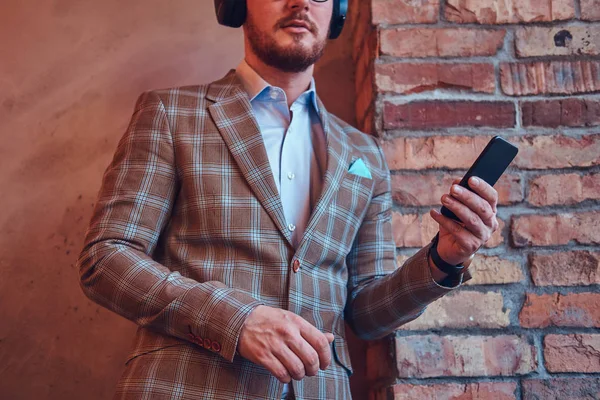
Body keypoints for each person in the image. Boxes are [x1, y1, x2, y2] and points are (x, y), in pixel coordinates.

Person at [76, 0, 500, 399]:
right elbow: (107, 259)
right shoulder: (170, 113)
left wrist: (444, 260)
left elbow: (367, 315)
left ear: (337, 11)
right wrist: (234, 321)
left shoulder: (365, 154)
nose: (301, 1)